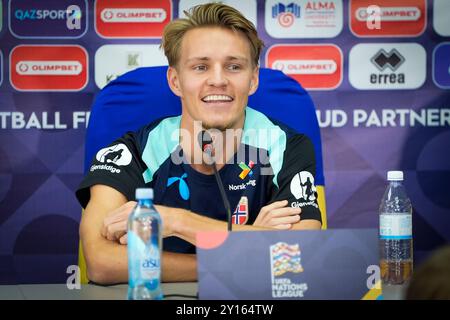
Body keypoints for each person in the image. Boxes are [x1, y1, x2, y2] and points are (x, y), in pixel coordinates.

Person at [76, 3, 322, 285]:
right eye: (200, 67)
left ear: (253, 79)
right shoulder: (132, 151)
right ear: (175, 81)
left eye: (234, 66)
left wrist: (175, 222)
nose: (218, 80)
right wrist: (253, 246)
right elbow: (101, 263)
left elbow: (301, 255)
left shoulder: (287, 145)